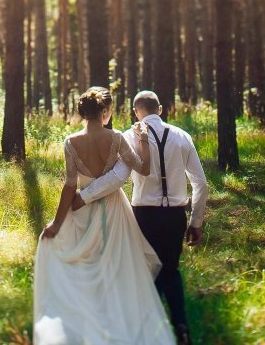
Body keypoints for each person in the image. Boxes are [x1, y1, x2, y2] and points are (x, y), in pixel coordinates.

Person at [33, 87, 177, 345]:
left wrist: (57, 222)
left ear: (82, 112)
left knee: (88, 265)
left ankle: (91, 325)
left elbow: (69, 186)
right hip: (114, 210)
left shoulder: (71, 142)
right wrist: (143, 139)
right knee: (115, 268)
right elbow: (144, 169)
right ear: (105, 111)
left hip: (83, 210)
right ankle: (115, 324)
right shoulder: (117, 138)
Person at [72, 90, 208, 345]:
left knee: (147, 273)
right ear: (160, 109)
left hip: (143, 215)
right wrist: (195, 222)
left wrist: (84, 196)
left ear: (136, 111)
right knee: (170, 269)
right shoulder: (182, 136)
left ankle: (148, 332)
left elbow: (117, 178)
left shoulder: (129, 136)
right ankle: (180, 327)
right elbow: (200, 183)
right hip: (175, 216)